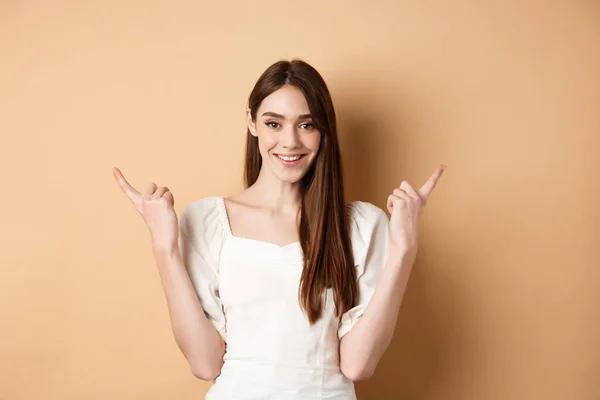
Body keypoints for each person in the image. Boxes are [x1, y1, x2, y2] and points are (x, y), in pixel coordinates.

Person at [113, 58, 445, 399]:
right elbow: (205, 364)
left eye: (306, 125)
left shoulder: (362, 226)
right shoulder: (207, 220)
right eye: (274, 123)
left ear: (324, 130)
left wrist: (404, 250)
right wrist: (164, 247)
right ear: (251, 121)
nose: (289, 142)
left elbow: (358, 365)